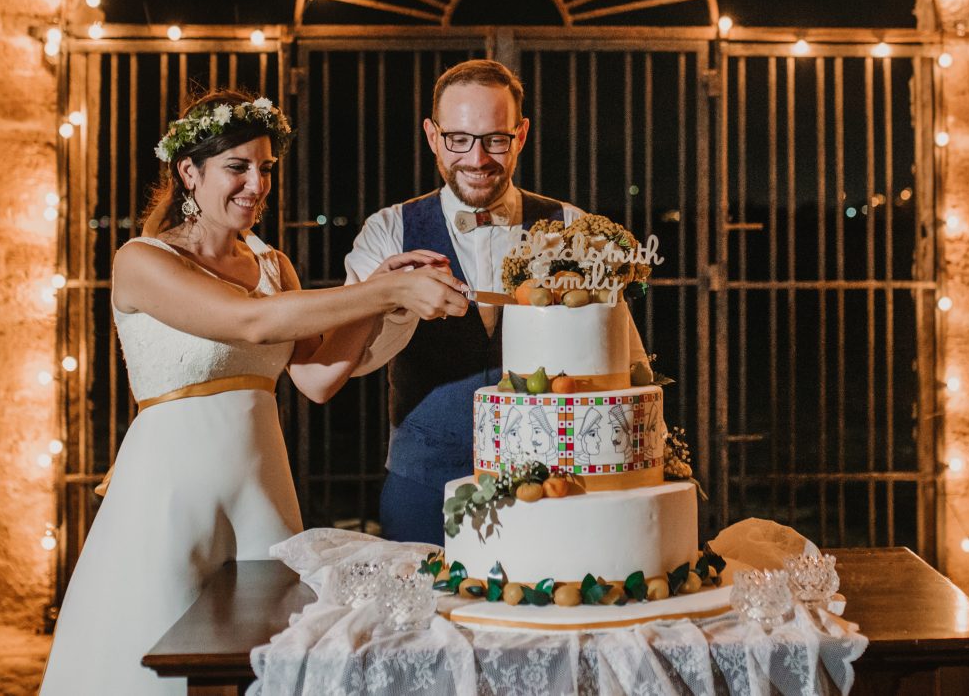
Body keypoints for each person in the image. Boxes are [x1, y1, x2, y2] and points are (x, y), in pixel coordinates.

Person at [40, 89, 467, 694]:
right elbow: (251, 324)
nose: (256, 184)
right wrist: (384, 295)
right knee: (157, 656)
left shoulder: (274, 267)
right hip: (170, 492)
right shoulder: (142, 260)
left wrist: (382, 291)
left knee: (264, 657)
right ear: (189, 171)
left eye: (265, 168)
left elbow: (317, 380)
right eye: (237, 167)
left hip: (262, 487)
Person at [344, 60, 650, 543]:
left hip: (554, 489)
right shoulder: (388, 232)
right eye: (458, 139)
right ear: (432, 135)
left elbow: (625, 361)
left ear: (521, 134)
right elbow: (349, 361)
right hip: (423, 485)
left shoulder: (571, 226)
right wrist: (390, 299)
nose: (477, 158)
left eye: (495, 139)